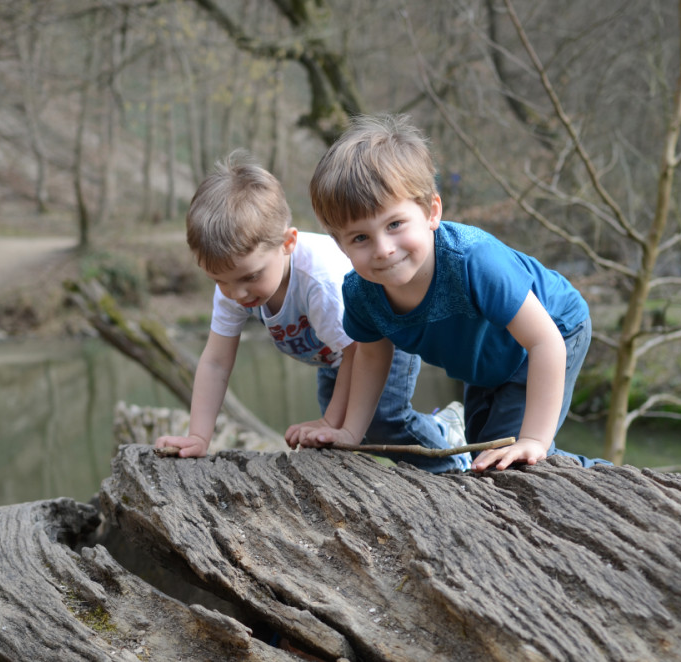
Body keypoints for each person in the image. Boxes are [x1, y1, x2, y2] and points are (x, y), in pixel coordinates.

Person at [303, 114, 611, 472]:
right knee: (483, 455)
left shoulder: (474, 262)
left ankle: (605, 477)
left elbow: (545, 342)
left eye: (395, 224)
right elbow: (371, 359)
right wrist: (351, 432)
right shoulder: (361, 294)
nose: (383, 249)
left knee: (514, 463)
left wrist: (534, 441)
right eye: (360, 238)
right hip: (486, 360)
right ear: (340, 245)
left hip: (551, 332)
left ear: (432, 212)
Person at [154, 151, 469, 473]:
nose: (237, 294)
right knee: (332, 440)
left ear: (287, 242)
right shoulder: (234, 284)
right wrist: (198, 436)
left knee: (384, 420)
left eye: (251, 277)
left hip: (382, 336)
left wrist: (332, 420)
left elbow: (360, 350)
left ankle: (451, 452)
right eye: (219, 280)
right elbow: (216, 361)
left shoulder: (319, 282)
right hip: (337, 355)